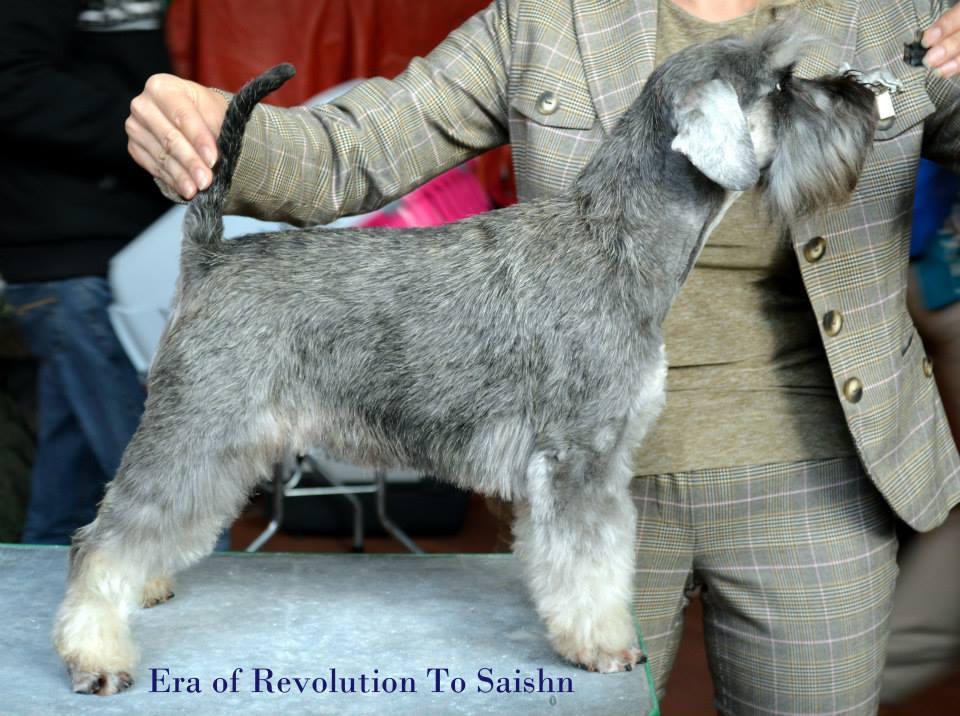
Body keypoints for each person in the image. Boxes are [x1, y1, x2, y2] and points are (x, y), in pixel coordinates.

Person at [125, 1, 960, 713]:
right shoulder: (546, 15)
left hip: (817, 482)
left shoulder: (899, 9)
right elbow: (360, 145)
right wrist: (213, 134)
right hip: (587, 484)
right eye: (784, 91)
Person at [0, 1, 171, 543]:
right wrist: (156, 131)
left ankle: (24, 600)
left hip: (108, 253)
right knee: (172, 499)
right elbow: (10, 78)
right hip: (82, 261)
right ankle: (203, 603)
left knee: (67, 506)